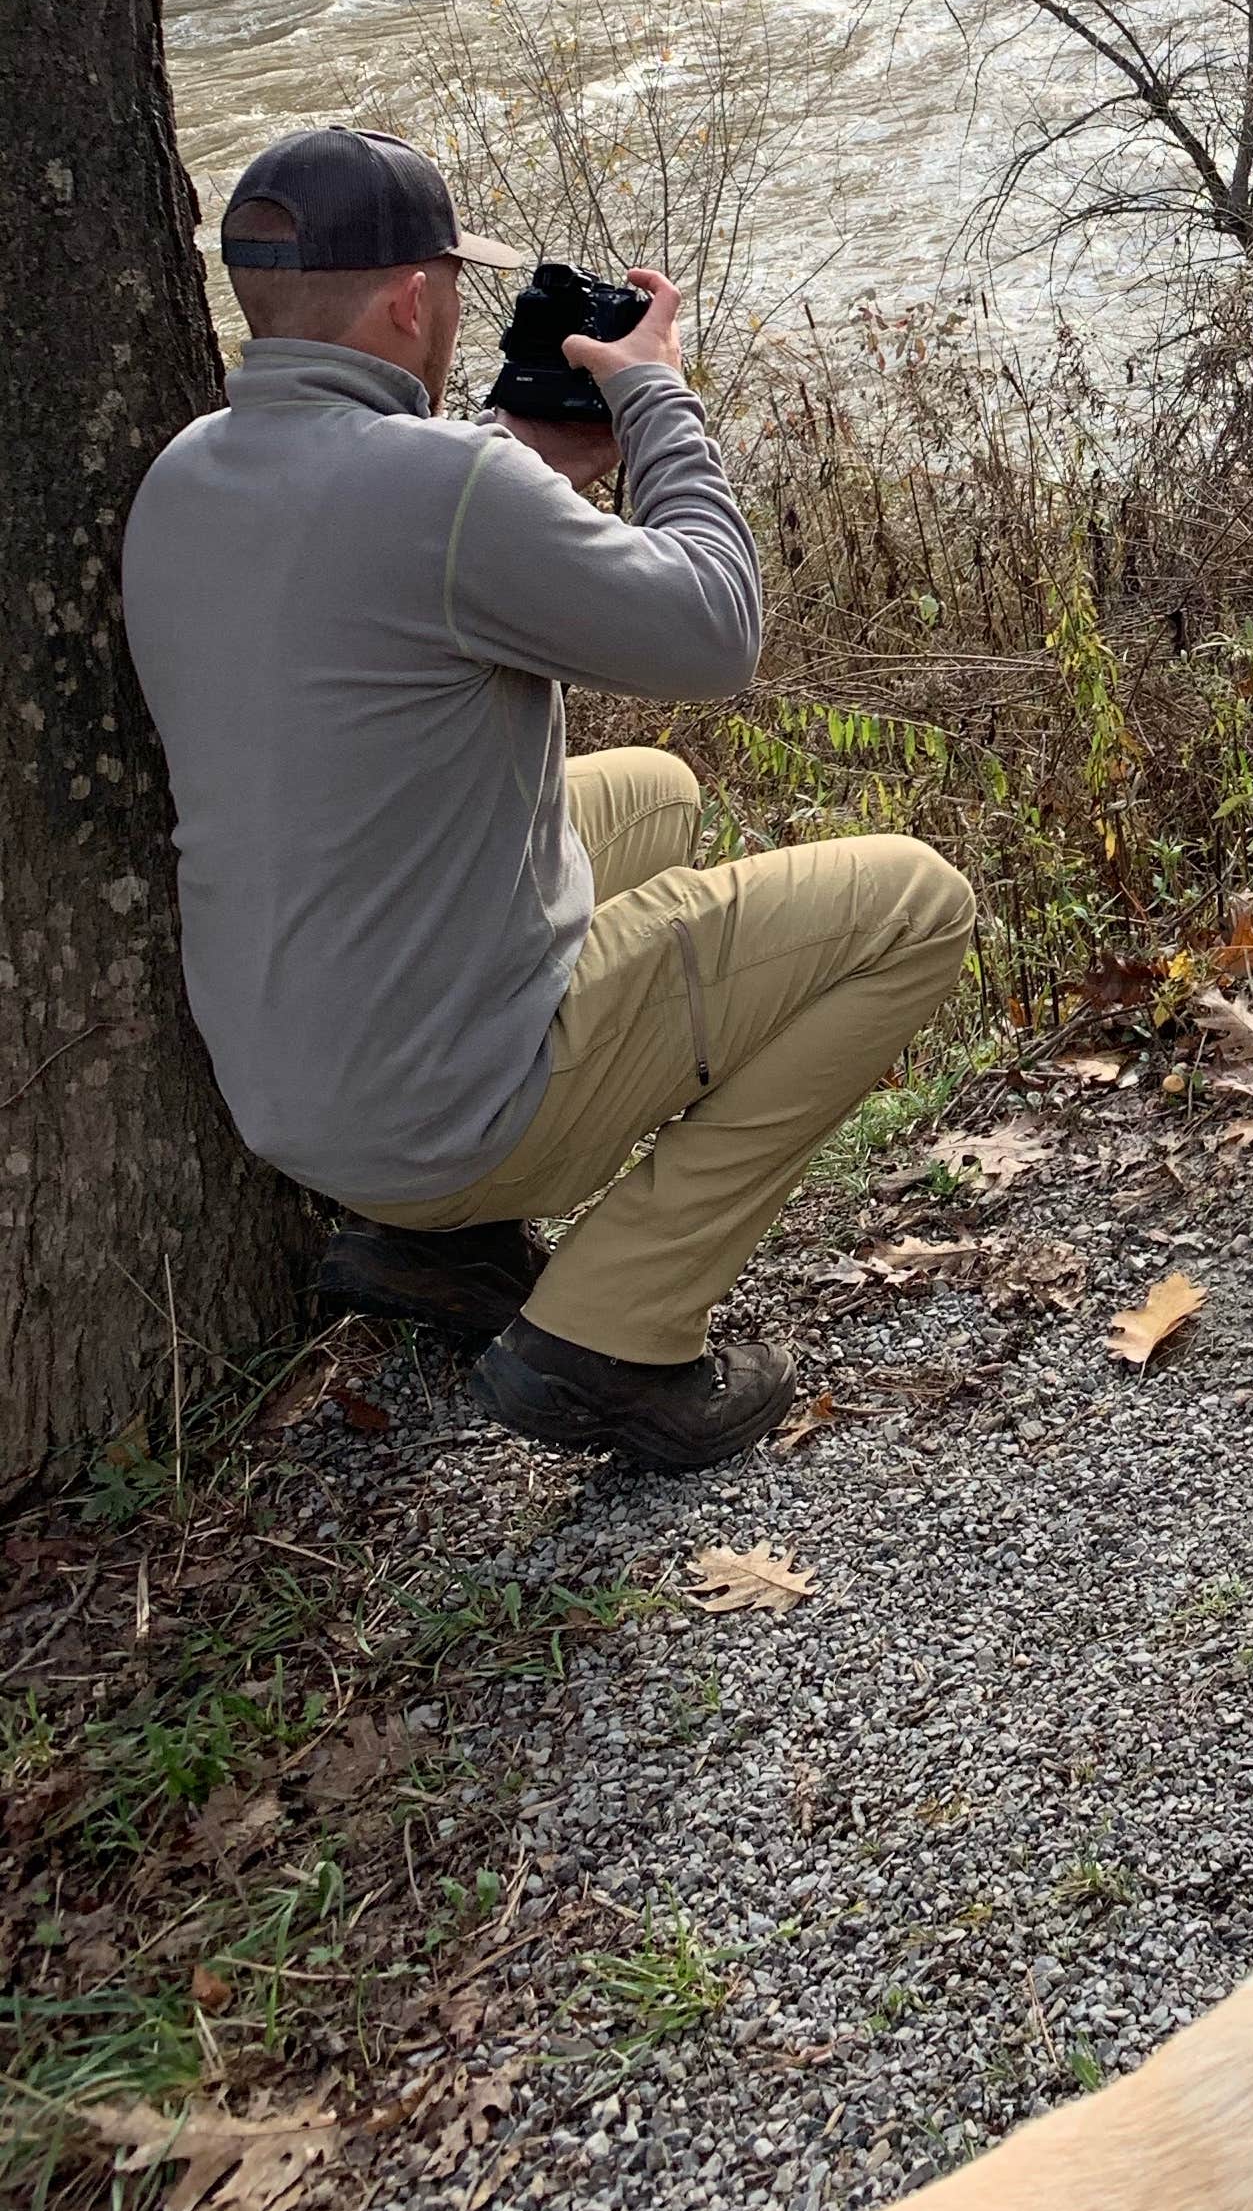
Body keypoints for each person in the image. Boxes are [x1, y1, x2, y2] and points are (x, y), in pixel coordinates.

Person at [121, 125, 976, 1472]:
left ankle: (435, 1252)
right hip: (450, 1108)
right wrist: (655, 400)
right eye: (451, 286)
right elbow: (713, 635)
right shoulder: (449, 487)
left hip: (299, 1090)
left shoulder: (187, 473)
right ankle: (611, 1339)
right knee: (919, 906)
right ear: (416, 298)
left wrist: (513, 453)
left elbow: (380, 548)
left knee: (652, 793)